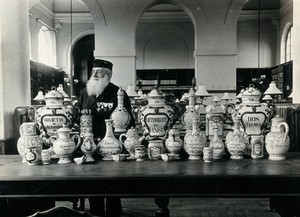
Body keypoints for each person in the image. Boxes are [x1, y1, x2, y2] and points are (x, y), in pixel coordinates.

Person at [78, 59, 135, 217]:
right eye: (93, 72)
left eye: (99, 72)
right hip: (89, 147)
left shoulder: (118, 93)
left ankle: (114, 213)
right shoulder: (84, 93)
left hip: (112, 147)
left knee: (112, 185)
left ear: (108, 75)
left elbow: (129, 121)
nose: (94, 75)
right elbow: (78, 116)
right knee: (92, 185)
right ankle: (95, 214)